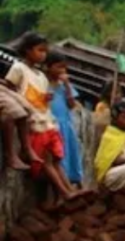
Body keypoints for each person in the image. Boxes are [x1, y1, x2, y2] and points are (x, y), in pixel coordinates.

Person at [7, 33, 86, 201]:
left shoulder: (40, 76)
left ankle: (69, 190)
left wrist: (45, 99)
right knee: (48, 161)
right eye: (39, 50)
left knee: (56, 160)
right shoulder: (18, 68)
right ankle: (66, 193)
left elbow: (43, 100)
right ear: (27, 50)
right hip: (34, 122)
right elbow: (9, 89)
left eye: (45, 51)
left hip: (48, 122)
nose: (43, 54)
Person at [1, 35, 42, 171]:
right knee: (12, 111)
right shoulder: (19, 67)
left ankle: (26, 148)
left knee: (26, 108)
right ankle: (10, 156)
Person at [45, 51, 84, 186]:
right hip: (52, 125)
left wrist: (67, 85)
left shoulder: (63, 86)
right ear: (48, 67)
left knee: (70, 154)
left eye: (64, 68)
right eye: (59, 67)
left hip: (66, 125)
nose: (62, 71)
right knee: (59, 158)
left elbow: (71, 105)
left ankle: (74, 183)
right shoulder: (43, 84)